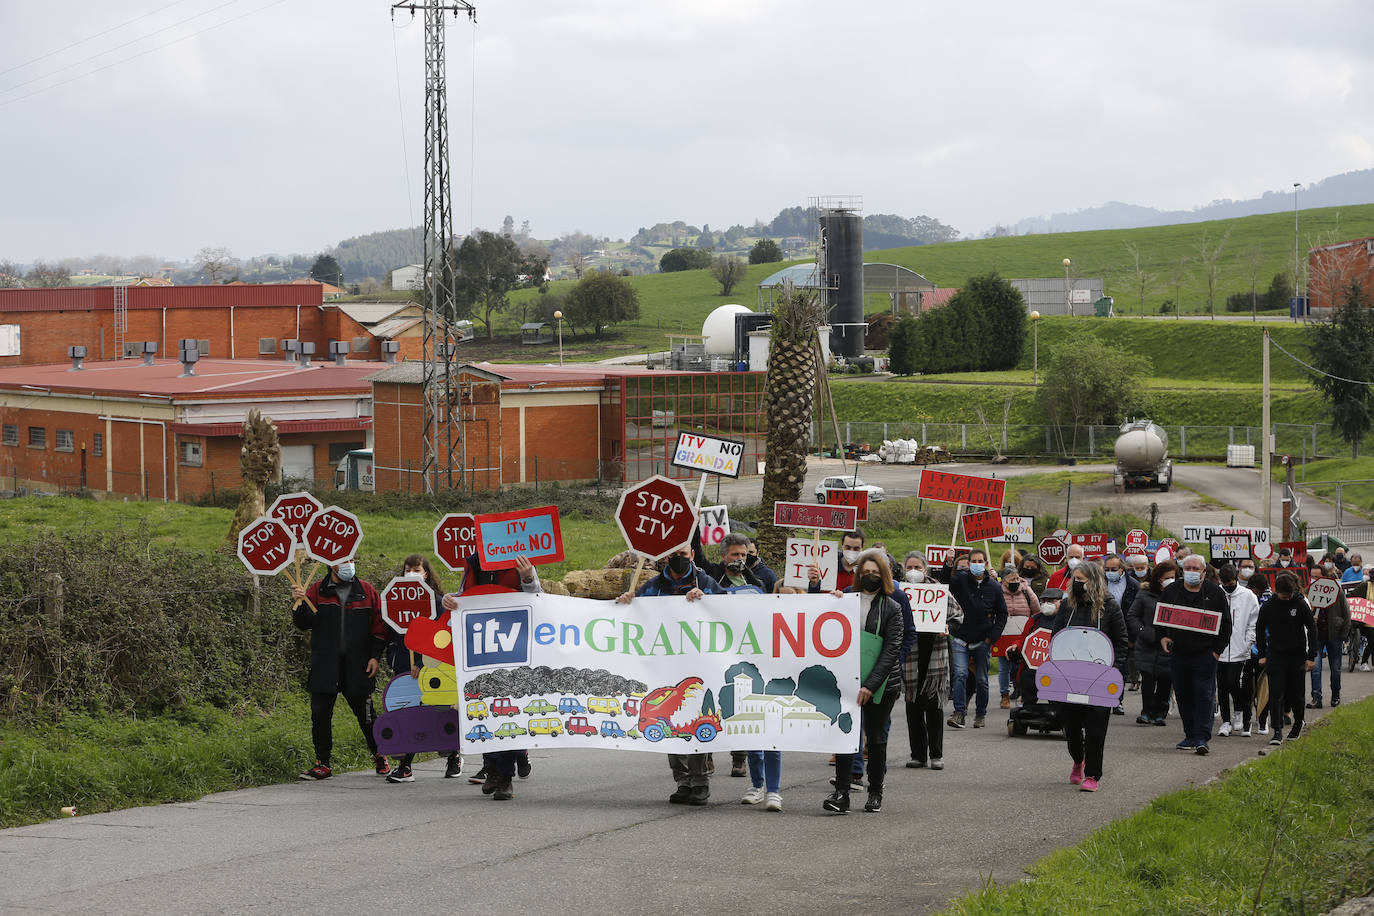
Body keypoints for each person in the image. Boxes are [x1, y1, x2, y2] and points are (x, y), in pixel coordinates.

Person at [618, 546, 725, 805]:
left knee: (693, 720)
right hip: (666, 665)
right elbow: (635, 613)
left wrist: (707, 600)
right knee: (666, 720)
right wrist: (627, 602)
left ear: (691, 552)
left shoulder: (705, 581)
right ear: (665, 555)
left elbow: (727, 608)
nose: (679, 557)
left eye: (684, 551)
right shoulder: (654, 585)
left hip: (698, 665)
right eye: (674, 552)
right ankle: (683, 781)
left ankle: (700, 782)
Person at [448, 553, 543, 801]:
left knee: (506, 712)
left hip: (513, 645)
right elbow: (463, 596)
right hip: (479, 645)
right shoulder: (472, 563)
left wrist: (528, 577)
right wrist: (449, 601)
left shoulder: (520, 561)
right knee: (484, 711)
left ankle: (505, 777)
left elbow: (537, 597)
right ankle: (491, 768)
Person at [291, 560, 389, 780]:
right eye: (343, 561)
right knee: (320, 715)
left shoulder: (366, 590)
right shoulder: (316, 590)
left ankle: (381, 755)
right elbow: (304, 623)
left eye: (351, 560)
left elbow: (379, 624)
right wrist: (299, 602)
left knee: (366, 715)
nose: (349, 564)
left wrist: (375, 655)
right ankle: (322, 763)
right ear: (330, 565)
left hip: (358, 665)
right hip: (325, 664)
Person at [823, 550, 905, 814]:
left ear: (884, 576)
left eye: (875, 573)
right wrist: (832, 603)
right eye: (865, 572)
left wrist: (870, 685)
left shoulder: (893, 607)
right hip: (847, 680)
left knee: (876, 737)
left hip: (882, 684)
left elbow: (892, 650)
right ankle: (842, 793)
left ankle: (875, 791)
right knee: (845, 734)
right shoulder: (845, 600)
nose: (870, 577)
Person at [1047, 560, 1128, 792]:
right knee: (1071, 726)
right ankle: (1077, 759)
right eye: (1075, 580)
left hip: (1100, 679)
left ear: (1093, 581)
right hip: (1070, 677)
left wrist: (1115, 670)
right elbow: (1056, 638)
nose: (1077, 584)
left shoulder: (1110, 606)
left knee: (1096, 729)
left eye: (1081, 580)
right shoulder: (1066, 606)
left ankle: (1093, 774)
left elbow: (1121, 642)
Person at [385, 554, 458, 783]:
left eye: (417, 569)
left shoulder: (436, 602)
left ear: (426, 573)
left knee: (439, 713)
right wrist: (392, 657)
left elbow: (440, 637)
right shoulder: (394, 600)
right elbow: (390, 632)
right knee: (409, 715)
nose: (412, 573)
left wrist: (420, 663)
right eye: (408, 569)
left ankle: (453, 757)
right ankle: (405, 766)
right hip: (403, 670)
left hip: (432, 669)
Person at [1157, 554, 1232, 755]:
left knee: (1204, 694)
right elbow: (1160, 619)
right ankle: (1189, 735)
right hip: (1179, 654)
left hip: (1205, 655)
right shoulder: (1172, 591)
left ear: (1204, 572)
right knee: (1183, 694)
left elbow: (1226, 625)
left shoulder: (1215, 593)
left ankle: (1201, 737)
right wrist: (1163, 637)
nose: (1191, 572)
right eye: (1187, 568)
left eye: (1196, 568)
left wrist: (1216, 651)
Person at [947, 548, 1008, 729]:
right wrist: (948, 563)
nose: (976, 564)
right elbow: (943, 583)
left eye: (980, 561)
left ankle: (980, 713)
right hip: (960, 638)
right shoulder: (960, 581)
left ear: (986, 563)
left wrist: (992, 638)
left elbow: (1002, 614)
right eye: (973, 561)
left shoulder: (995, 587)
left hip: (983, 641)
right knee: (960, 675)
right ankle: (959, 713)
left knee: (981, 680)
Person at [1255, 572, 1319, 745]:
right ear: (1277, 591)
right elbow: (1260, 629)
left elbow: (1312, 629)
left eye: (1289, 595)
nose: (1286, 598)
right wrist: (1262, 653)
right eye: (1284, 596)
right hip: (1275, 655)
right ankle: (1277, 730)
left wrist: (1311, 655)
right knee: (1276, 694)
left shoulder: (1300, 604)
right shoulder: (1269, 606)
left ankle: (1298, 723)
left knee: (1296, 694)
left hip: (1296, 656)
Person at [905, 594, 957, 770]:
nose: (914, 571)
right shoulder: (905, 592)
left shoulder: (939, 593)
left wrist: (948, 627)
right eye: (910, 566)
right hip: (911, 660)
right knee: (913, 708)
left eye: (918, 567)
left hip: (935, 659)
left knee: (934, 707)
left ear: (925, 569)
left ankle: (936, 754)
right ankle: (918, 755)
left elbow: (958, 616)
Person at [1126, 560, 1177, 726]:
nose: (1170, 580)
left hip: (1169, 646)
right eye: (1166, 577)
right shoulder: (1145, 594)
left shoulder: (1178, 595)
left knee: (1165, 680)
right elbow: (1132, 616)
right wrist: (1144, 631)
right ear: (1158, 578)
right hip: (1147, 643)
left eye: (1173, 577)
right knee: (1148, 679)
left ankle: (1159, 713)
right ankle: (1146, 711)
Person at [1217, 564, 1260, 738]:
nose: (1228, 586)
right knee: (1221, 686)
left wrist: (1247, 642)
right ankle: (1226, 721)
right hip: (1219, 649)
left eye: (1231, 582)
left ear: (1237, 579)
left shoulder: (1248, 596)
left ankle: (1239, 711)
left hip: (1240, 649)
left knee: (1233, 681)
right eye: (1225, 583)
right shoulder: (1216, 593)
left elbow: (1253, 621)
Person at [1308, 559, 1351, 709]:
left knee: (1336, 668)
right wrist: (1311, 613)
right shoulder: (1309, 592)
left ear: (1324, 576)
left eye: (1317, 577)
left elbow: (1346, 614)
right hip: (1316, 637)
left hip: (1334, 636)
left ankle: (1335, 695)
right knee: (1316, 668)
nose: (1314, 580)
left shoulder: (1336, 591)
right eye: (1312, 577)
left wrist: (1344, 635)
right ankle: (1316, 697)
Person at [997, 564, 1039, 708]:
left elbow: (1036, 610)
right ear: (1003, 581)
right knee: (1004, 667)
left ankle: (1023, 693)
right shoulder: (997, 591)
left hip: (1023, 634)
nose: (1015, 581)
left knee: (1023, 665)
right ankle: (1004, 695)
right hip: (1003, 634)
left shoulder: (1026, 590)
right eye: (1011, 579)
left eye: (1017, 578)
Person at [1102, 553, 1139, 714]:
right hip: (1103, 630)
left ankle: (1117, 700)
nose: (1110, 572)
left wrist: (1132, 636)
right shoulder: (1100, 583)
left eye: (1114, 569)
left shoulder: (1133, 586)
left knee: (1120, 667)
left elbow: (1136, 612)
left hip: (1123, 631)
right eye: (1107, 569)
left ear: (1122, 569)